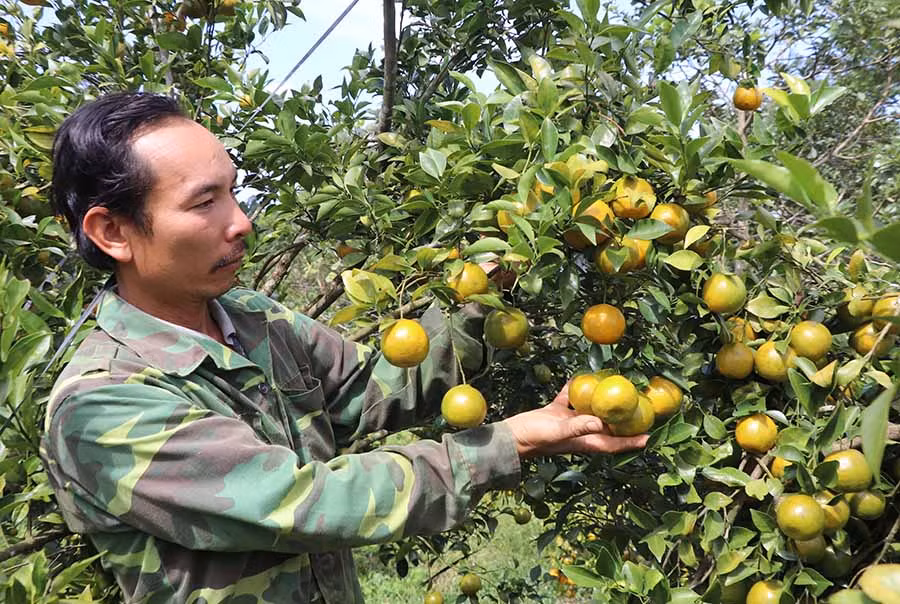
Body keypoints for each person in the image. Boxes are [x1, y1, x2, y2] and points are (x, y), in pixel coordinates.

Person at [40, 92, 647, 603]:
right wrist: (510, 442)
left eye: (232, 191)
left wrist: (493, 279)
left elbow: (376, 389)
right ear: (112, 231)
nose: (242, 221)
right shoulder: (103, 404)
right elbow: (308, 500)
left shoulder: (255, 320)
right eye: (205, 202)